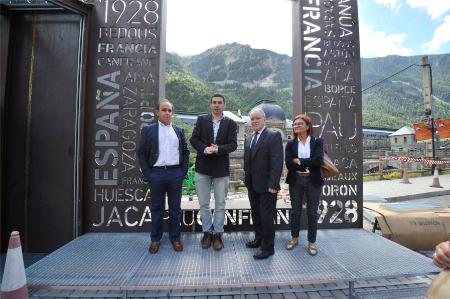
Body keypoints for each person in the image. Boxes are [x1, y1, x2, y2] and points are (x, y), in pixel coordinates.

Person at [138, 99, 190, 254]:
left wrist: (183, 172)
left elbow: (186, 152)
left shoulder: (179, 130)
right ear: (157, 112)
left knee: (175, 209)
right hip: (157, 174)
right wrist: (149, 174)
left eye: (169, 110)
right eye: (164, 110)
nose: (167, 113)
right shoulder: (148, 130)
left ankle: (175, 239)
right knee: (157, 208)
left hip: (175, 174)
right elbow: (141, 153)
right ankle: (155, 239)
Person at [190, 93, 238, 251]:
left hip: (221, 169)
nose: (217, 105)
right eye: (214, 102)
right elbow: (194, 140)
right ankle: (207, 232)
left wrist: (218, 149)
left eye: (220, 102)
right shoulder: (201, 120)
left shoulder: (230, 123)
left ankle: (217, 234)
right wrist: (205, 149)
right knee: (203, 204)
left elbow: (233, 145)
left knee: (220, 204)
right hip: (202, 167)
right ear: (210, 105)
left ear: (224, 105)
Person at [243, 108, 283, 259]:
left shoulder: (273, 136)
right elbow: (247, 162)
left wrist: (274, 184)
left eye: (257, 118)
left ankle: (268, 247)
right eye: (252, 119)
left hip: (267, 186)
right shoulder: (249, 139)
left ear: (264, 119)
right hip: (252, 185)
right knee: (256, 214)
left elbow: (277, 161)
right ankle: (259, 239)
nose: (254, 121)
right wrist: (247, 180)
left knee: (267, 217)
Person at [285, 114, 324, 256]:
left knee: (312, 212)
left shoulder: (317, 142)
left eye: (300, 124)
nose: (296, 126)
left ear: (308, 126)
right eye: (294, 124)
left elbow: (318, 161)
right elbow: (289, 163)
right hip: (296, 180)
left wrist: (299, 161)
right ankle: (294, 238)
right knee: (295, 211)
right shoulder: (290, 143)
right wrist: (307, 162)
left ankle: (311, 242)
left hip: (313, 181)